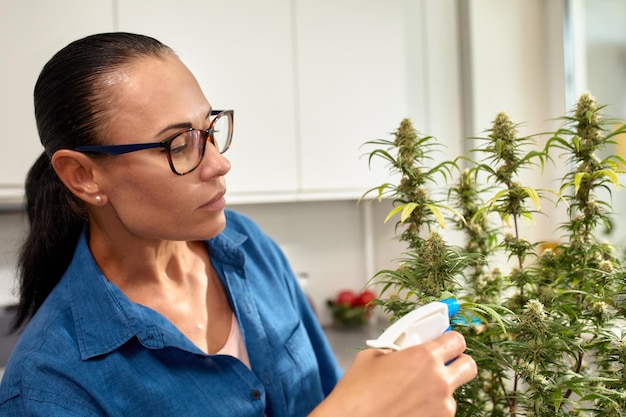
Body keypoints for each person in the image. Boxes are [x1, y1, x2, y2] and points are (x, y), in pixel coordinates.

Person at [0, 32, 476, 416]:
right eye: (178, 145)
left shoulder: (249, 245)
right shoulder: (48, 387)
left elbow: (330, 393)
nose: (218, 164)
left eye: (209, 130)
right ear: (83, 175)